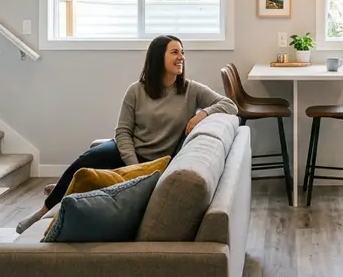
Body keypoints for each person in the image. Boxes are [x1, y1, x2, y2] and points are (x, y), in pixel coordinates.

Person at [14, 34, 238, 233]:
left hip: (157, 160)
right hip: (126, 151)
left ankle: (67, 190)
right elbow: (123, 131)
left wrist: (203, 114)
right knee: (87, 161)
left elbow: (229, 105)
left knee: (98, 181)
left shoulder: (191, 89)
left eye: (182, 52)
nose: (181, 57)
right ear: (158, 57)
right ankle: (42, 212)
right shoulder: (137, 90)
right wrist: (132, 164)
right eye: (175, 52)